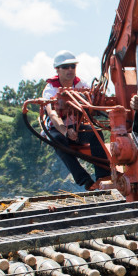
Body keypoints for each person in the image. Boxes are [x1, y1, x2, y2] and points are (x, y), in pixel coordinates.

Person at [41, 50, 111, 189]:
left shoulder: (81, 85)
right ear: (57, 70)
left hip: (77, 126)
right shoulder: (50, 89)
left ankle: (104, 176)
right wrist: (65, 131)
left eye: (73, 67)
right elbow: (53, 114)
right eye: (66, 67)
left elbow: (92, 102)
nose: (70, 70)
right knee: (58, 141)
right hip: (58, 129)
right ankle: (85, 180)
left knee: (96, 134)